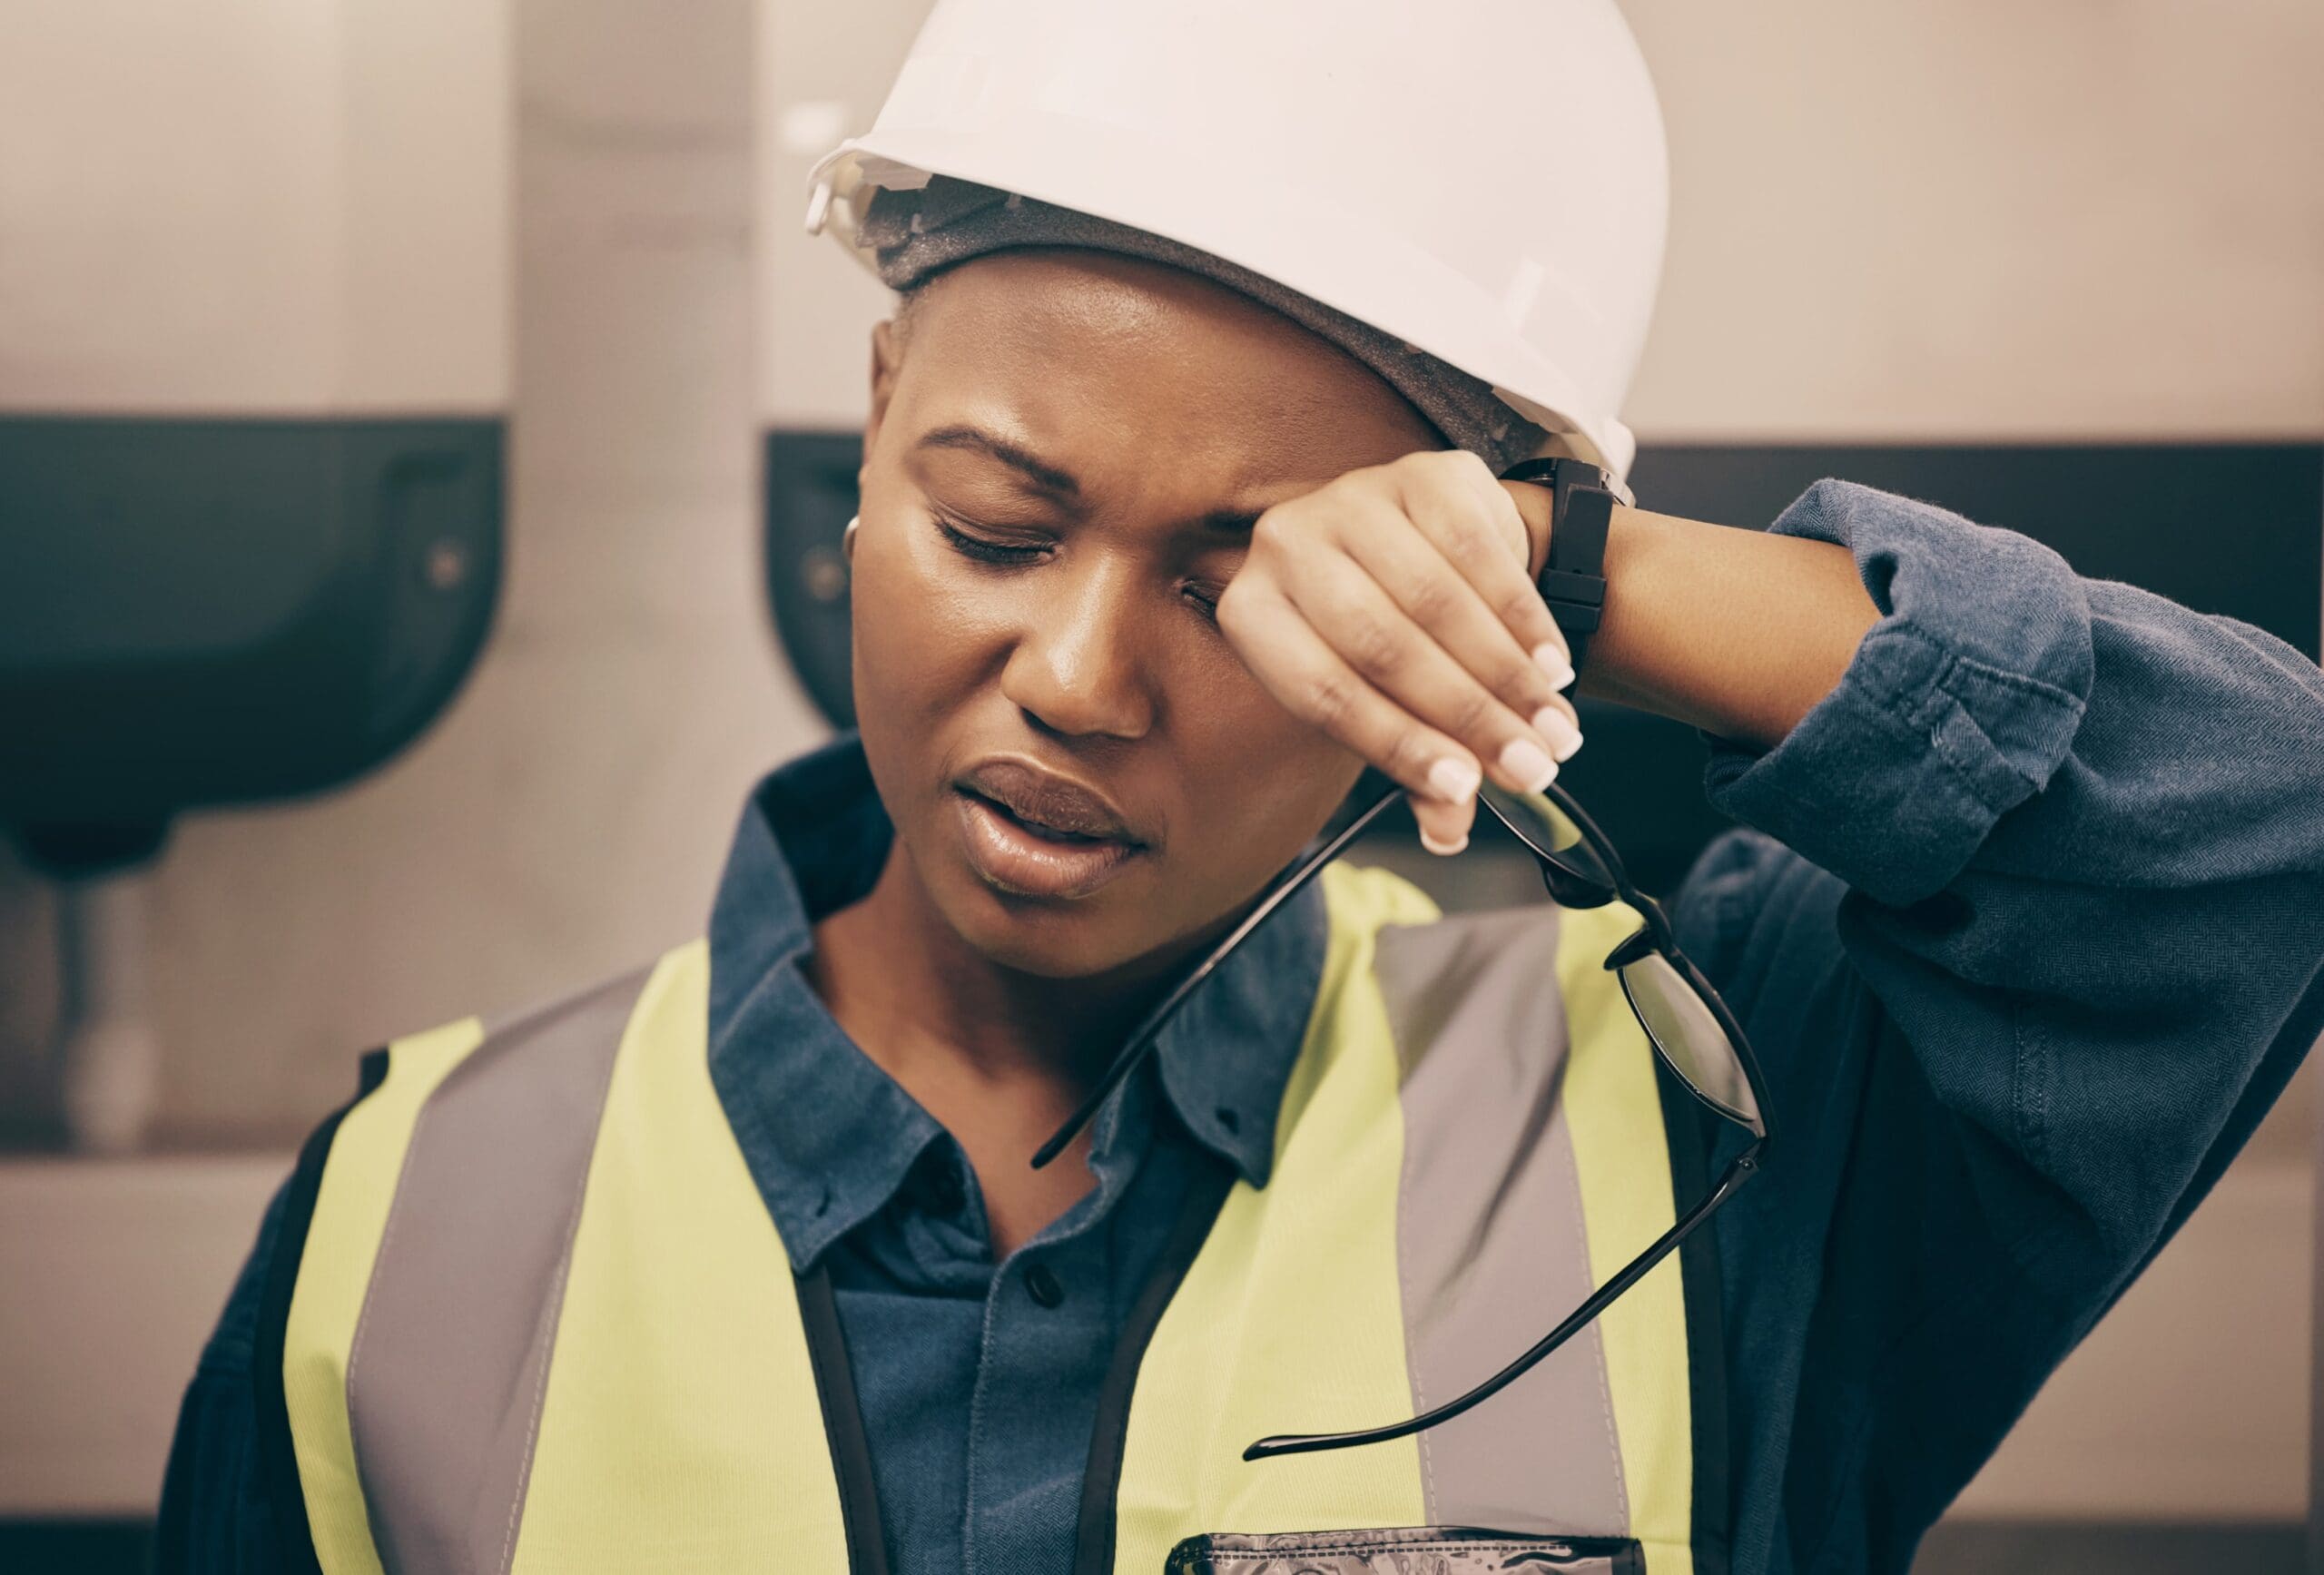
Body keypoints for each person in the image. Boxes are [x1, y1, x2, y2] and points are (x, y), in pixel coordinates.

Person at [160, 5, 2324, 1573]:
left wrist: (1600, 576)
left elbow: (2251, 833)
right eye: (996, 529)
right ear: (878, 400)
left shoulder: (1701, 1132)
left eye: (1241, 583)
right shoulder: (410, 1223)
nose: (1079, 680)